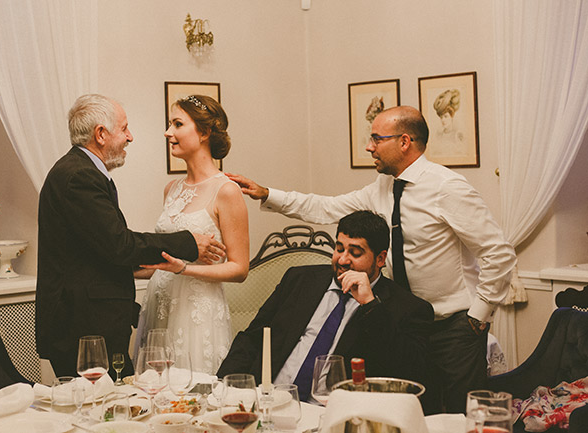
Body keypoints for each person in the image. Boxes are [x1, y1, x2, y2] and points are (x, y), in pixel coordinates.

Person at [226, 106, 517, 413]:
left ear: (404, 142)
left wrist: (477, 318)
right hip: (399, 322)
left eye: (377, 139)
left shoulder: (448, 188)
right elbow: (326, 207)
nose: (369, 147)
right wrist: (267, 194)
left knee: (457, 414)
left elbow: (498, 253)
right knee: (416, 411)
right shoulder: (383, 188)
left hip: (452, 326)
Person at [36, 94, 226, 379]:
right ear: (101, 134)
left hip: (94, 319)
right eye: (124, 129)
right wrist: (188, 243)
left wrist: (148, 267)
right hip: (82, 326)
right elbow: (119, 244)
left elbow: (96, 248)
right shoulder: (79, 176)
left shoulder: (80, 170)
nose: (130, 137)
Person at [217, 210, 434, 403]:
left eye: (355, 253)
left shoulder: (408, 308)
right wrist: (224, 388)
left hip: (332, 412)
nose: (343, 260)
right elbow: (252, 338)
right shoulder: (299, 280)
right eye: (339, 248)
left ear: (380, 259)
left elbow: (412, 371)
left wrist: (370, 305)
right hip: (271, 400)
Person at [133, 95, 249, 374]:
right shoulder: (171, 189)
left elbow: (239, 268)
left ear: (204, 132)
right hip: (159, 304)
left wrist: (184, 269)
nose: (167, 132)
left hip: (197, 313)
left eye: (177, 124)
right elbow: (164, 258)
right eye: (169, 124)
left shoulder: (226, 191)